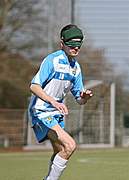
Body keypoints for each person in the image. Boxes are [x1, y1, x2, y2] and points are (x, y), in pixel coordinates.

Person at [28, 24, 93, 180]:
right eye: (71, 44)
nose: (75, 48)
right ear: (62, 43)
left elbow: (79, 100)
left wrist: (85, 97)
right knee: (70, 145)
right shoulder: (52, 60)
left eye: (78, 45)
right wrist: (54, 102)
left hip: (55, 114)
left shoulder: (76, 68)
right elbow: (34, 86)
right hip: (41, 111)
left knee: (60, 151)